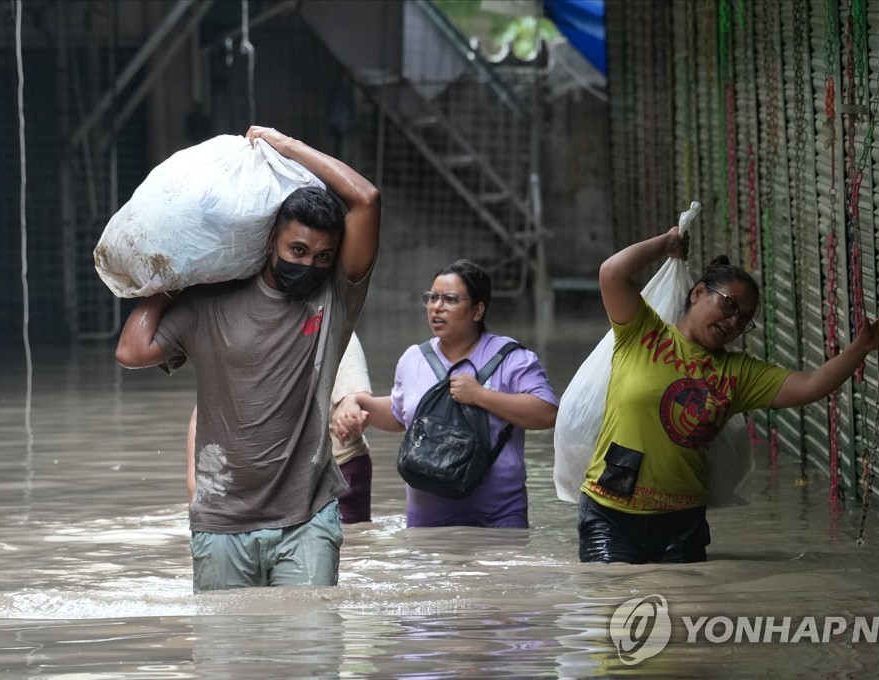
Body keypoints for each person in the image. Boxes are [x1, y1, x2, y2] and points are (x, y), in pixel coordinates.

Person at [115, 126, 380, 592]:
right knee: (229, 658)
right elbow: (132, 351)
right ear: (269, 241)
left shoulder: (334, 297)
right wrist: (174, 274)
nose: (310, 265)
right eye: (297, 250)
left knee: (312, 657)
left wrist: (289, 146)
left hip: (308, 516)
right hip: (221, 520)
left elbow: (366, 200)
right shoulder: (208, 304)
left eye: (323, 256)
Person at [578, 225, 879, 564]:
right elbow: (612, 272)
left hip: (681, 522)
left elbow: (811, 385)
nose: (734, 322)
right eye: (729, 305)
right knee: (615, 597)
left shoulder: (739, 374)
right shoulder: (642, 333)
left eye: (744, 319)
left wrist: (862, 347)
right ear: (698, 293)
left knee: (682, 612)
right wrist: (667, 242)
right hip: (611, 512)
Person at [332, 259, 559, 528]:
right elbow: (399, 415)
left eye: (450, 299)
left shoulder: (511, 358)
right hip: (427, 522)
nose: (437, 307)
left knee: (501, 572)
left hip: (498, 518)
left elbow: (547, 413)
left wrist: (480, 396)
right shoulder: (414, 358)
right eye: (432, 298)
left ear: (477, 310)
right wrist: (355, 402)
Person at [185, 332, 374, 523]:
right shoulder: (239, 330)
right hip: (261, 478)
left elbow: (357, 397)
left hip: (333, 469)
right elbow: (204, 414)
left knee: (346, 544)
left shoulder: (331, 324)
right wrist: (198, 492)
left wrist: (351, 411)